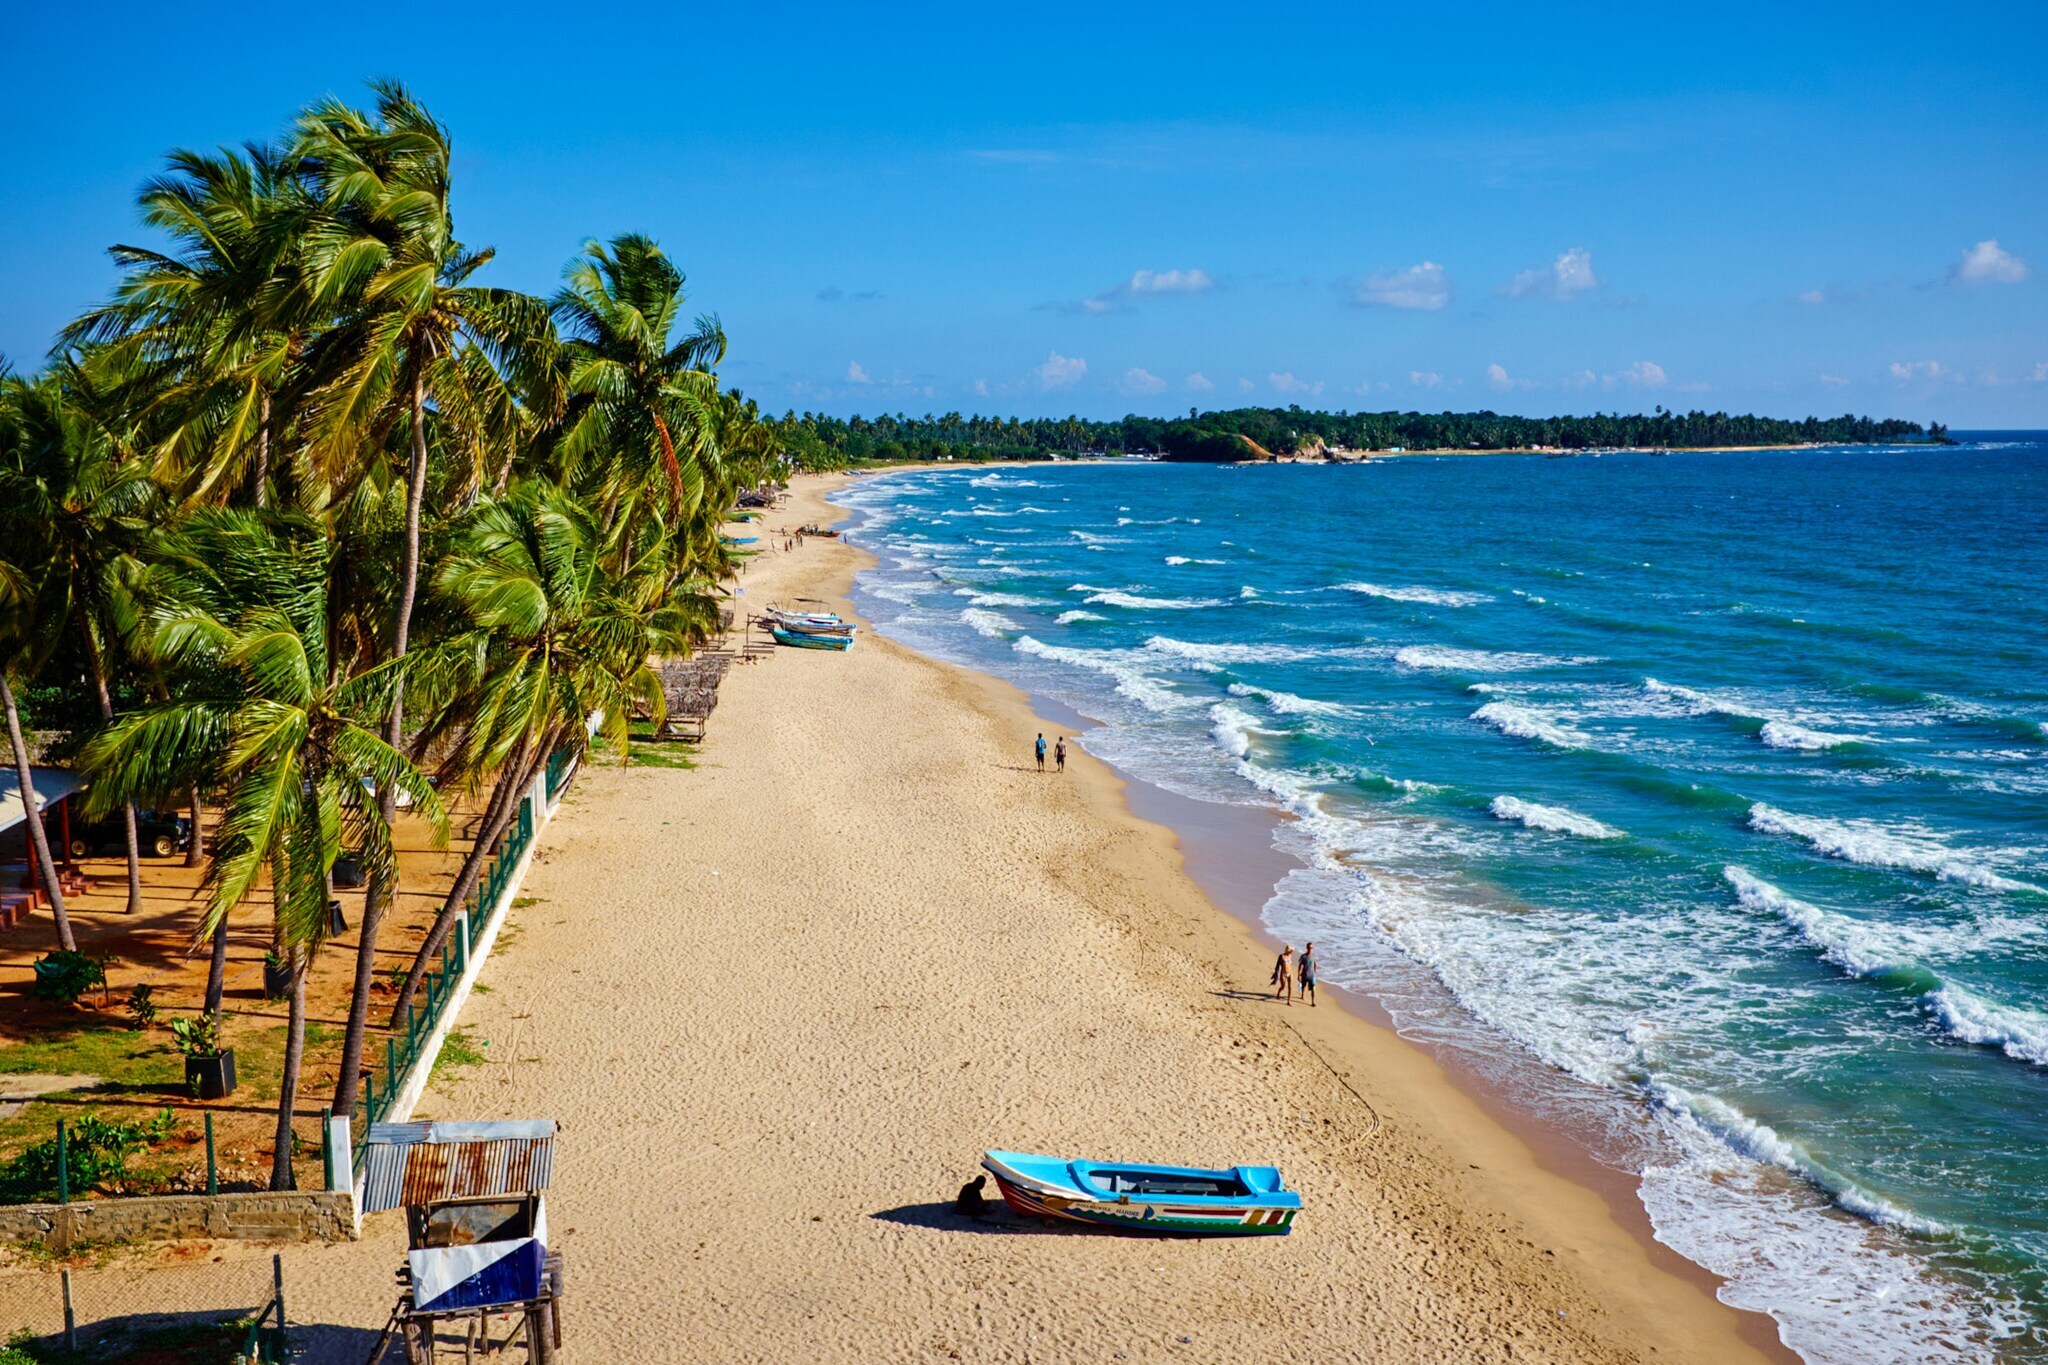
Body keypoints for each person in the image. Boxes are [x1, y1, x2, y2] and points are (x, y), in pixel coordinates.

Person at [1297, 941, 1317, 1007]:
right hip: (1304, 975)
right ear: (1306, 948)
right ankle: (1302, 995)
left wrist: (1315, 973)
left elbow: (1315, 965)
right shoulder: (1303, 956)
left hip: (1312, 976)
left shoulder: (1314, 956)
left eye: (1311, 948)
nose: (1310, 949)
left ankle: (1312, 1002)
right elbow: (1300, 966)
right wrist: (1298, 974)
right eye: (1309, 948)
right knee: (1303, 986)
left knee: (1313, 988)